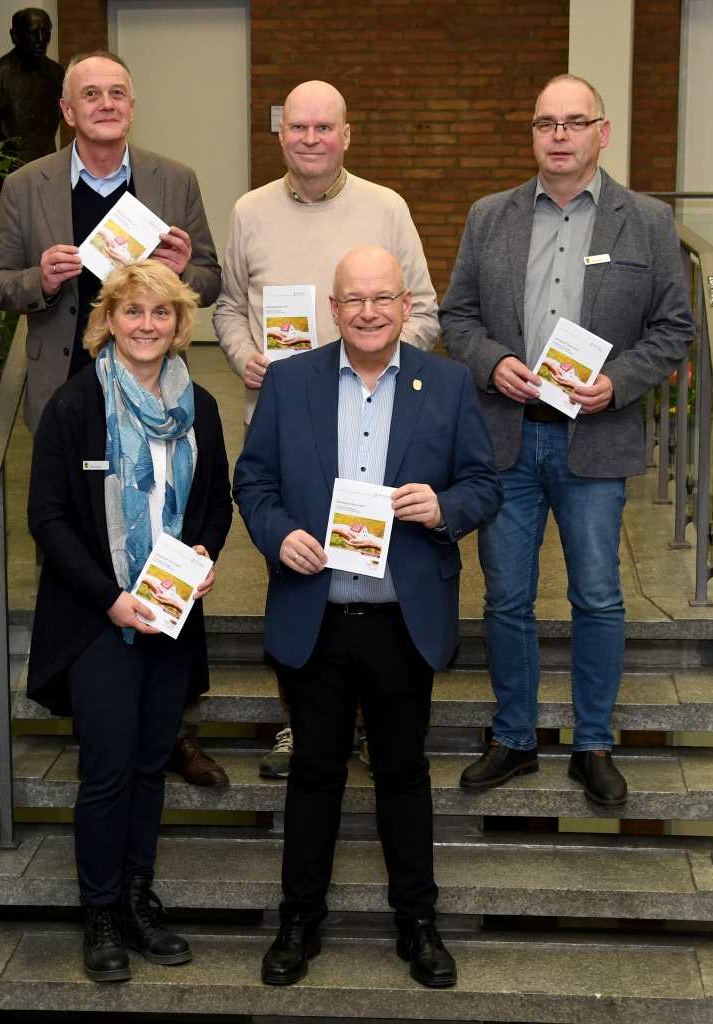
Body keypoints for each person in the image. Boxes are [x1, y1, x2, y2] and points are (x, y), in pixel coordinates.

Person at [233, 245, 501, 990]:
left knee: (404, 774)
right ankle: (298, 920)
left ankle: (418, 924)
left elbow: (484, 483)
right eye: (354, 299)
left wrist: (445, 508)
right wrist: (276, 532)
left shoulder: (445, 385)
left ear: (406, 305)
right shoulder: (290, 383)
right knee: (313, 774)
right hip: (314, 614)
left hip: (400, 619)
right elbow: (251, 480)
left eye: (384, 297)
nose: (370, 312)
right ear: (334, 308)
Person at [440, 74, 694, 808]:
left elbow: (674, 328)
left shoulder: (644, 220)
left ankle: (593, 743)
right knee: (507, 599)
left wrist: (618, 381)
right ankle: (515, 737)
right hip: (508, 438)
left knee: (598, 597)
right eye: (545, 122)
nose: (558, 135)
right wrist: (493, 362)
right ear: (532, 134)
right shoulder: (490, 216)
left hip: (596, 440)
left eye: (574, 122)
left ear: (602, 133)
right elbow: (458, 317)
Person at [0, 50, 224, 787]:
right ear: (67, 110)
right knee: (84, 554)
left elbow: (210, 278)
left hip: (157, 404)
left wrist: (185, 268)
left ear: (131, 103)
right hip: (72, 401)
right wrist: (38, 278)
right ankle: (100, 710)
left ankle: (169, 724)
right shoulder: (27, 187)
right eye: (90, 93)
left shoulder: (172, 180)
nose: (106, 102)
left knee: (167, 542)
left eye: (117, 91)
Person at [215, 79, 440, 780]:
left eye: (325, 128)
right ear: (280, 134)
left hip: (377, 429)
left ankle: (378, 724)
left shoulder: (386, 208)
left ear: (347, 134)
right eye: (298, 128)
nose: (310, 139)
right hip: (287, 439)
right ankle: (302, 725)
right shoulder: (249, 212)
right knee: (297, 580)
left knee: (376, 592)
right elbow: (226, 307)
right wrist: (246, 356)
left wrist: (377, 359)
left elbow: (426, 312)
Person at [26, 260, 232, 982]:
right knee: (109, 771)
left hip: (170, 616)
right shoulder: (75, 406)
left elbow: (215, 500)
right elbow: (47, 520)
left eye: (162, 313)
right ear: (107, 320)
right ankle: (102, 915)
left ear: (180, 326)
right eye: (133, 311)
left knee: (151, 766)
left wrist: (205, 550)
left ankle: (140, 902)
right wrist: (113, 599)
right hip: (98, 621)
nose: (148, 325)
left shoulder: (199, 405)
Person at [0, 8, 65, 189]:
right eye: (33, 33)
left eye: (45, 32)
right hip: (13, 170)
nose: (40, 39)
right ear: (15, 35)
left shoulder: (58, 75)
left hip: (48, 166)